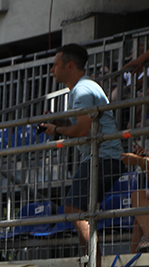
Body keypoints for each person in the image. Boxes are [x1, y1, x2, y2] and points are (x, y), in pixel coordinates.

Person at [40, 44, 123, 249]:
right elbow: (84, 125)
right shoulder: (85, 87)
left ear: (69, 66)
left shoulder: (82, 90)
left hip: (103, 157)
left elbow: (84, 130)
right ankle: (93, 260)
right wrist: (59, 125)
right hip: (104, 157)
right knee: (81, 209)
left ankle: (93, 261)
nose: (52, 70)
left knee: (73, 207)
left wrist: (58, 131)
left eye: (55, 65)